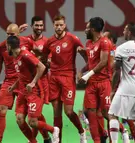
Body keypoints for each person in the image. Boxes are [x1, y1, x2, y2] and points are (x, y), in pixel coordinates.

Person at [42, 14, 87, 143]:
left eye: (61, 25)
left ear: (65, 25)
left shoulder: (73, 39)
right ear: (53, 26)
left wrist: (87, 70)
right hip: (54, 78)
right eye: (57, 25)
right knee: (56, 112)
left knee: (68, 112)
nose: (59, 27)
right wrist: (48, 62)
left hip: (68, 77)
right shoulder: (49, 41)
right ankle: (58, 141)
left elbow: (84, 55)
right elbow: (44, 59)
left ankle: (81, 131)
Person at [6, 36, 60, 143]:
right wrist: (14, 86)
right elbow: (22, 75)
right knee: (20, 120)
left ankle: (54, 130)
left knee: (33, 122)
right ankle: (33, 141)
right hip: (22, 92)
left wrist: (33, 82)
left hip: (34, 91)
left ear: (9, 46)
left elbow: (42, 67)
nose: (6, 48)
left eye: (6, 46)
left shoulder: (25, 55)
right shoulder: (15, 57)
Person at [0, 23, 35, 143]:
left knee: (31, 116)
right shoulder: (1, 46)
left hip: (24, 81)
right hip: (8, 81)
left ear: (18, 34)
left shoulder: (26, 42)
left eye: (12, 34)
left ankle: (39, 138)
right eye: (7, 34)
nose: (9, 36)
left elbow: (37, 53)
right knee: (1, 109)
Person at [78, 17, 113, 143]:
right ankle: (98, 139)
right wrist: (82, 71)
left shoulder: (105, 42)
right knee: (88, 112)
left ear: (92, 29)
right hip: (92, 83)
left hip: (104, 82)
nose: (85, 30)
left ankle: (121, 131)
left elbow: (103, 62)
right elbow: (91, 63)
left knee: (106, 113)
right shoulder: (88, 44)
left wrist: (86, 76)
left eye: (87, 28)